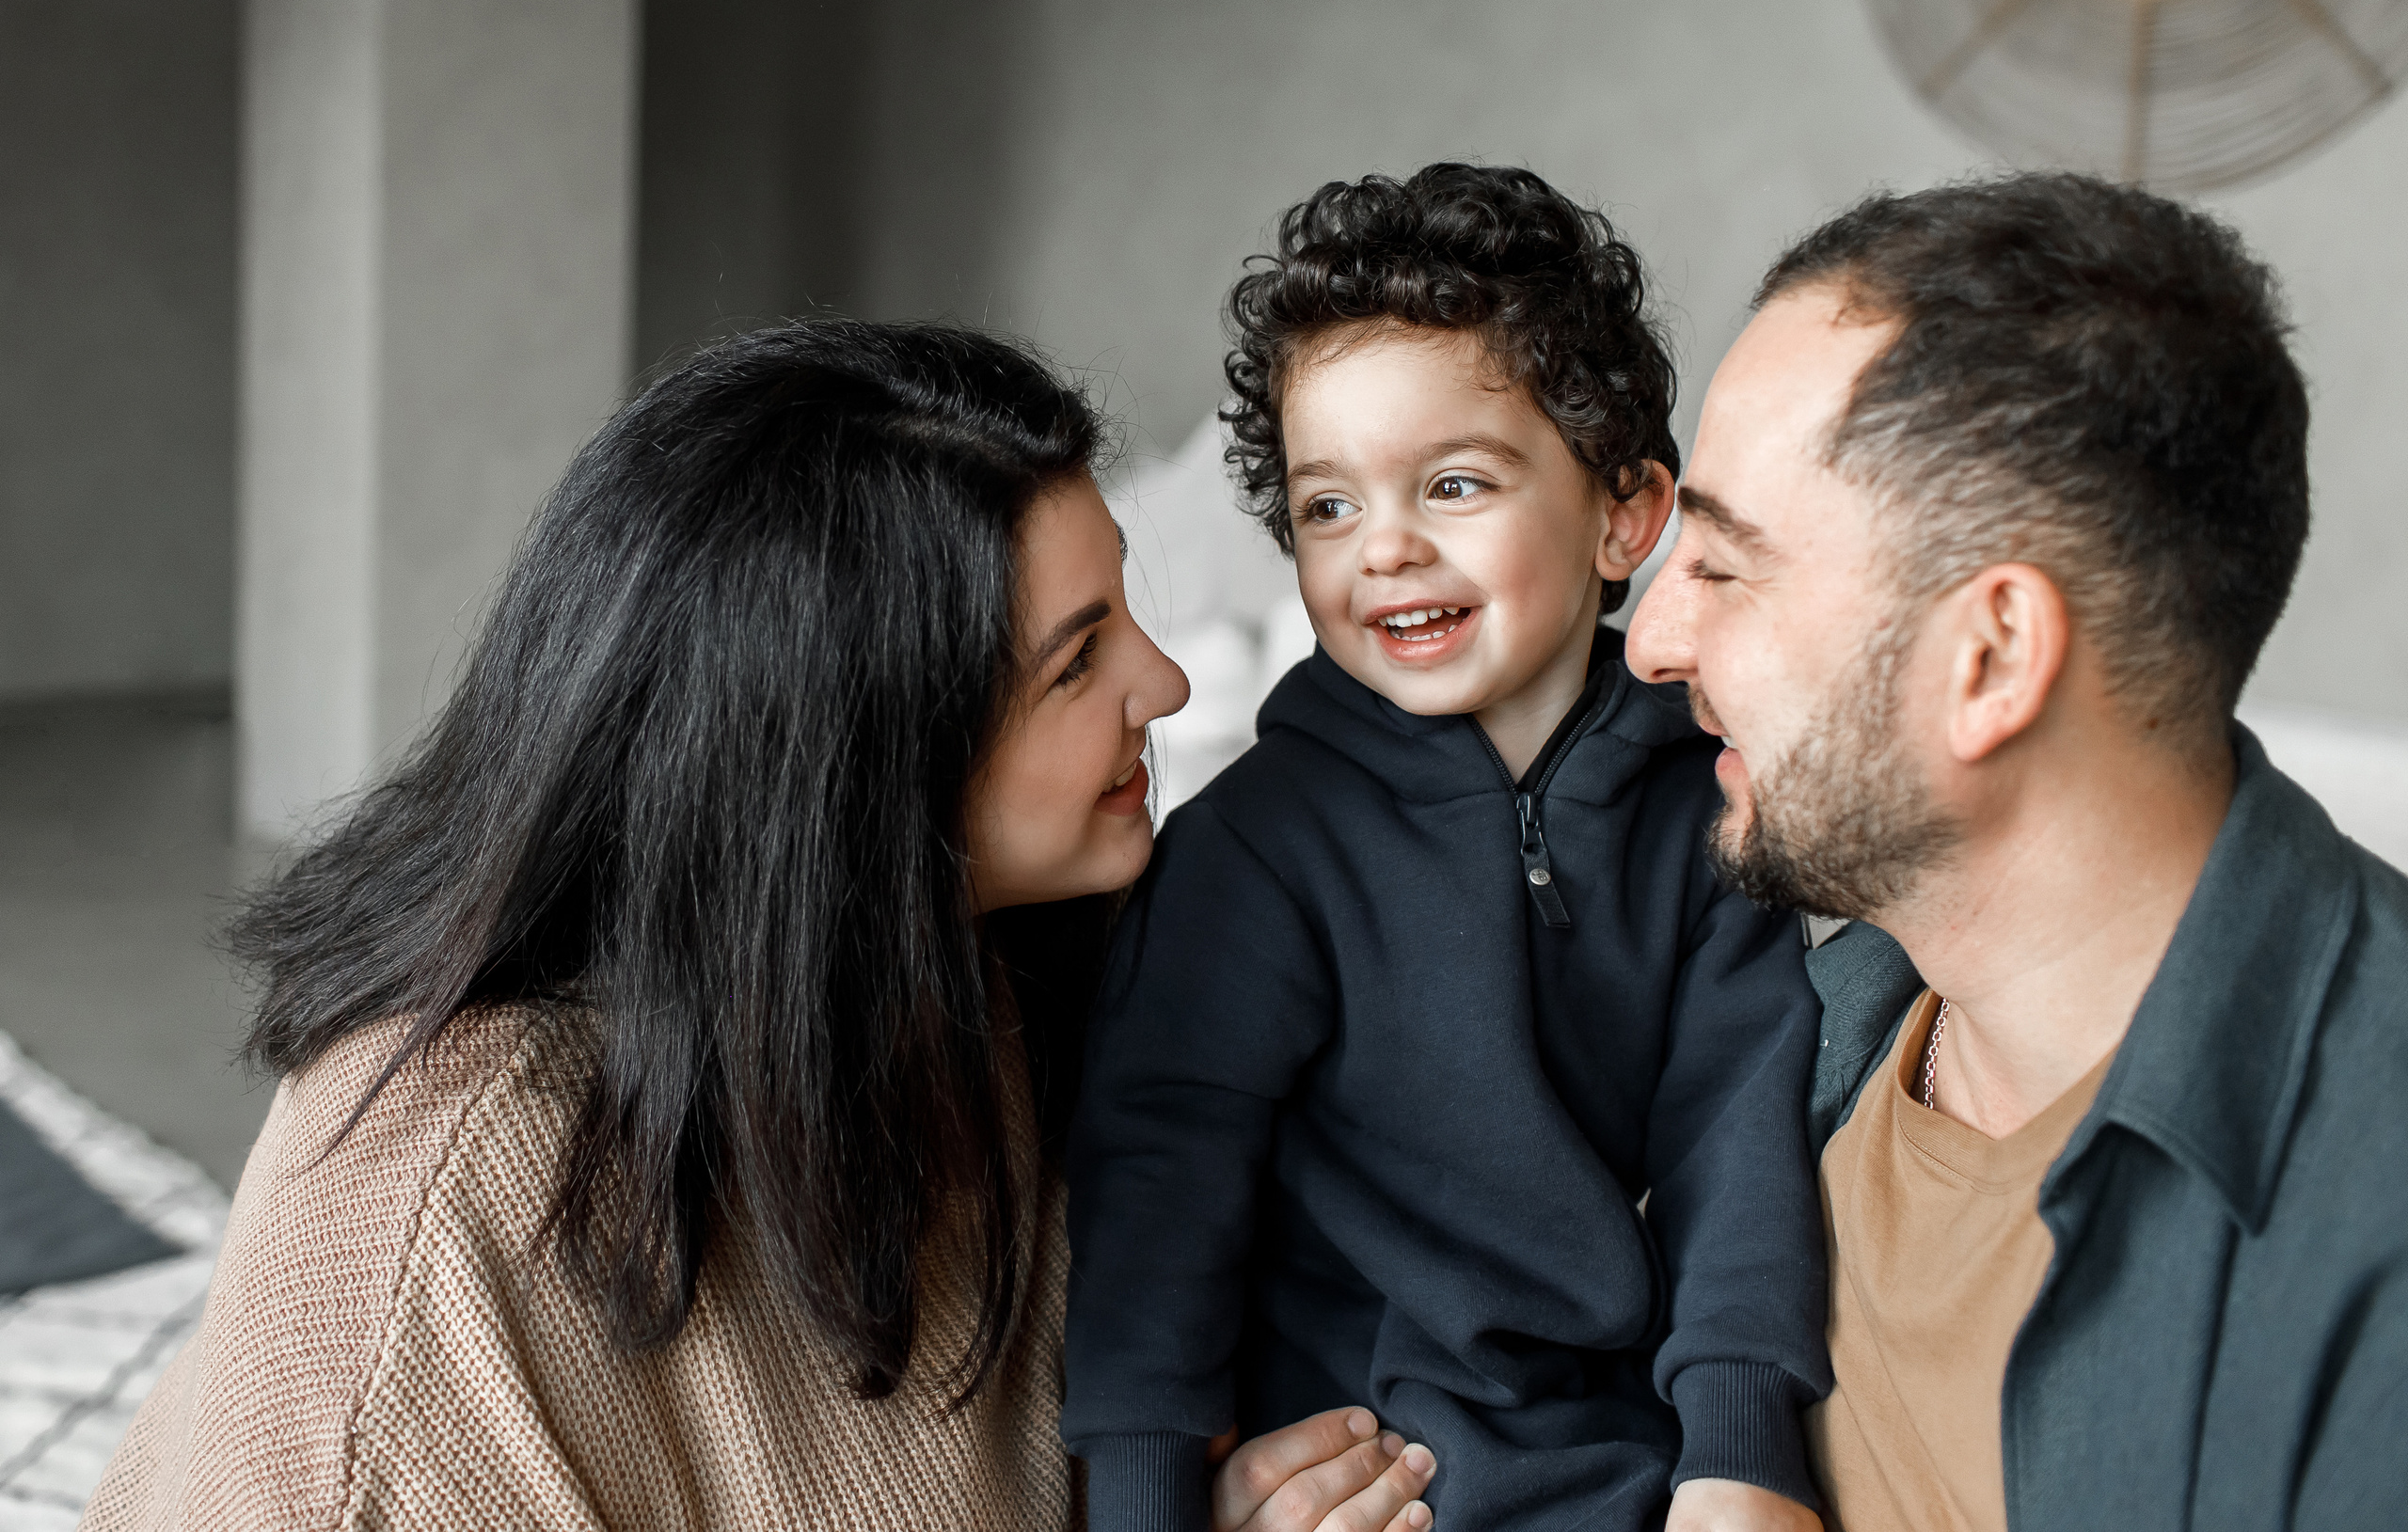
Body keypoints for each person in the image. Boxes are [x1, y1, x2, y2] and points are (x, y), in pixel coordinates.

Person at [83, 321, 1442, 1532]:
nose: (1167, 677)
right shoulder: (444, 1215)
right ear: (856, 759)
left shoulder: (1019, 975)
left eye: (1126, 613)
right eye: (1076, 660)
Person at [1625, 172, 2408, 1531]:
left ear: (1990, 659)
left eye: (1725, 567)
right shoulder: (1780, 1031)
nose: (1650, 644)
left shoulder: (2372, 1227)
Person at [1063, 166, 1830, 1532]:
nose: (1387, 550)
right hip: (1366, 1474)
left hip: (1623, 1463)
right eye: (1327, 507)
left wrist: (1740, 1455)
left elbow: (1741, 1149)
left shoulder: (1712, 817)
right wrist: (1150, 1502)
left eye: (1455, 483)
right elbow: (1159, 1194)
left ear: (1625, 513)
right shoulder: (1255, 850)